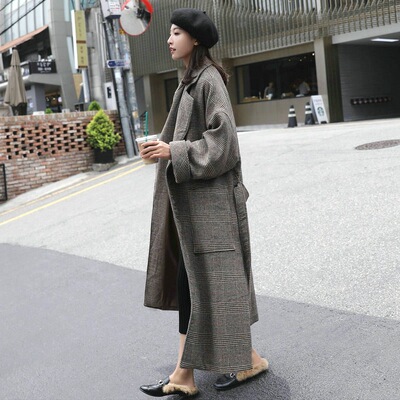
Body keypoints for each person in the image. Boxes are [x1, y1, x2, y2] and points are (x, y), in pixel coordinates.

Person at [139, 8, 268, 398]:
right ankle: (239, 361)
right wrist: (161, 149)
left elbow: (225, 143)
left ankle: (186, 374)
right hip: (195, 207)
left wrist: (173, 151)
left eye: (176, 33)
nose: (169, 39)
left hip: (211, 208)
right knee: (198, 286)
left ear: (195, 39)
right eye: (169, 33)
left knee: (204, 286)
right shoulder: (189, 81)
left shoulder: (209, 80)